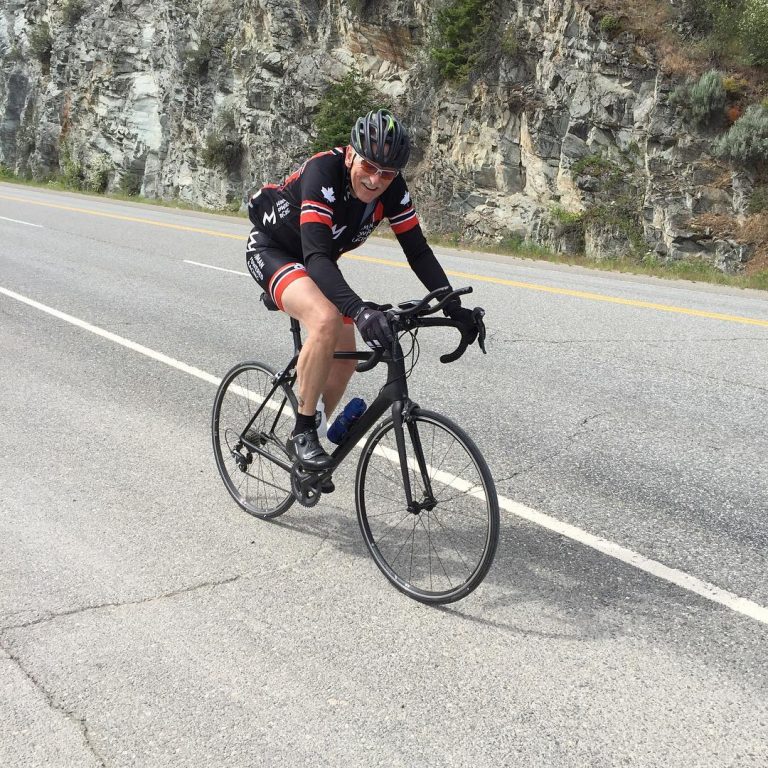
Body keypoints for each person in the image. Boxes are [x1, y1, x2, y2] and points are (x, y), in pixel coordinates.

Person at [245, 108, 478, 473]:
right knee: (324, 320)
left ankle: (315, 421)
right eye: (369, 166)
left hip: (315, 259)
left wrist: (453, 305)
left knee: (346, 358)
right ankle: (302, 432)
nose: (375, 180)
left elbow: (417, 250)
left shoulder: (393, 189)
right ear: (352, 153)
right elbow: (318, 256)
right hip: (275, 250)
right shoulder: (323, 171)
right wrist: (360, 310)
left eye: (387, 173)